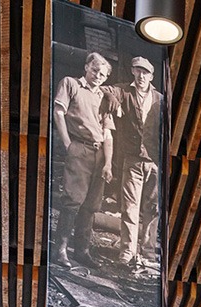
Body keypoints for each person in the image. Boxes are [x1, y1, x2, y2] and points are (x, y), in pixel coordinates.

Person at [51, 49, 113, 265]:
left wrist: (108, 163)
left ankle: (82, 251)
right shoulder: (71, 84)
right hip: (79, 149)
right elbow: (59, 113)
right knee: (72, 200)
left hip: (99, 154)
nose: (98, 75)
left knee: (91, 205)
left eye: (103, 74)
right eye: (95, 70)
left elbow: (107, 133)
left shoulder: (104, 97)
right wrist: (68, 144)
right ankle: (60, 251)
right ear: (87, 67)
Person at [114, 54, 162, 274]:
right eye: (138, 70)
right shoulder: (124, 91)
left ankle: (148, 251)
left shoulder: (160, 100)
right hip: (132, 158)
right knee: (130, 206)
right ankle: (127, 251)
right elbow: (104, 91)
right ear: (133, 71)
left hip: (154, 161)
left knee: (152, 208)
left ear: (151, 75)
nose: (141, 75)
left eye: (146, 72)